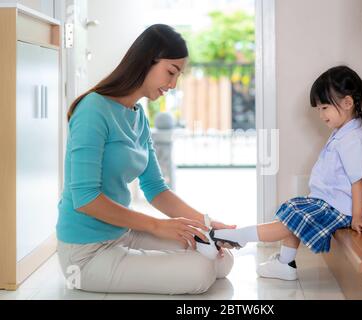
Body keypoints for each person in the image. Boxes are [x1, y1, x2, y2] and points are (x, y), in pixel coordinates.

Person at [56, 24, 234, 295]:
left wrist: (207, 225)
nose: (173, 85)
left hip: (121, 233)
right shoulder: (93, 109)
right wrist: (158, 226)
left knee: (220, 258)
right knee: (201, 271)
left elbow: (155, 188)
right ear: (145, 60)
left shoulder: (138, 115)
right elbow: (85, 198)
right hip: (84, 254)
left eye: (178, 75)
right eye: (171, 72)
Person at [209, 66, 362, 281]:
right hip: (333, 202)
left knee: (295, 218)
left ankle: (242, 236)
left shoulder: (353, 140)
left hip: (343, 209)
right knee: (295, 209)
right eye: (318, 109)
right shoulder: (344, 133)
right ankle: (286, 263)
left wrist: (357, 217)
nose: (321, 114)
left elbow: (358, 181)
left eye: (325, 107)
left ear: (347, 103)